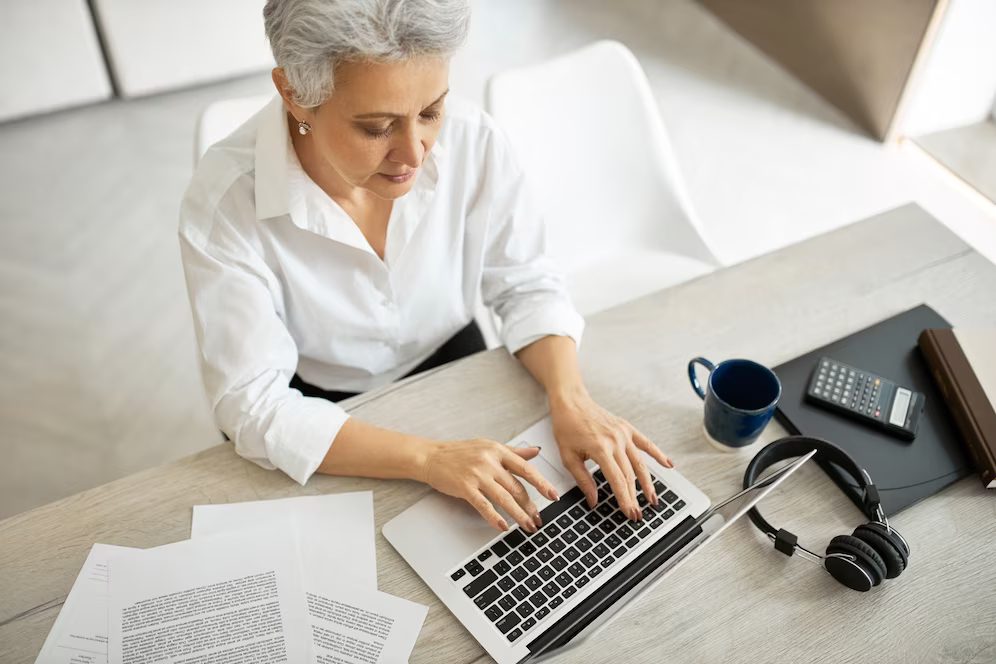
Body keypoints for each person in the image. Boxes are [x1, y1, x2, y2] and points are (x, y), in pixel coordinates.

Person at [179, 0, 674, 535]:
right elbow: (253, 405)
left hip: (452, 352)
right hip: (320, 394)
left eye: (431, 111)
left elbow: (525, 282)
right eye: (376, 128)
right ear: (295, 94)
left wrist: (572, 399)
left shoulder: (475, 141)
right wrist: (428, 459)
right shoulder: (225, 202)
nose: (414, 153)